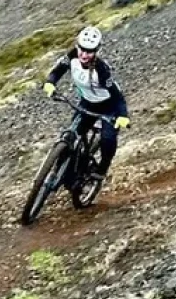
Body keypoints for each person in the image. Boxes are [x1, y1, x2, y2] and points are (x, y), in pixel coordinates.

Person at [42, 25, 129, 185]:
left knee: (107, 139)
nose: (83, 54)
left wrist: (123, 115)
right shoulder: (73, 56)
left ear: (96, 51)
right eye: (82, 49)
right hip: (87, 103)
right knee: (68, 137)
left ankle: (102, 169)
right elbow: (58, 70)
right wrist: (50, 82)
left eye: (89, 51)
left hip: (108, 108)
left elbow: (117, 96)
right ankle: (61, 172)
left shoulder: (101, 70)